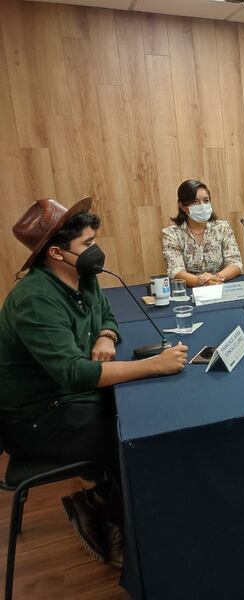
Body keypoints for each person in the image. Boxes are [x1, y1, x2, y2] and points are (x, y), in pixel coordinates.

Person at [0, 198, 188, 568]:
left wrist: (105, 335)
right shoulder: (35, 299)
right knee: (133, 436)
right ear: (56, 253)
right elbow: (75, 373)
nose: (95, 250)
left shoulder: (81, 276)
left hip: (68, 398)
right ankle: (114, 523)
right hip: (35, 419)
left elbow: (106, 313)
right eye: (87, 243)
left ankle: (98, 498)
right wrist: (154, 365)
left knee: (137, 413)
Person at [162, 179, 243, 287]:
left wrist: (217, 277)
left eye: (206, 200)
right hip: (190, 290)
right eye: (195, 202)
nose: (202, 206)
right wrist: (202, 282)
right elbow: (176, 271)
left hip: (220, 285)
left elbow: (235, 263)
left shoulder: (222, 227)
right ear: (182, 206)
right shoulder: (172, 234)